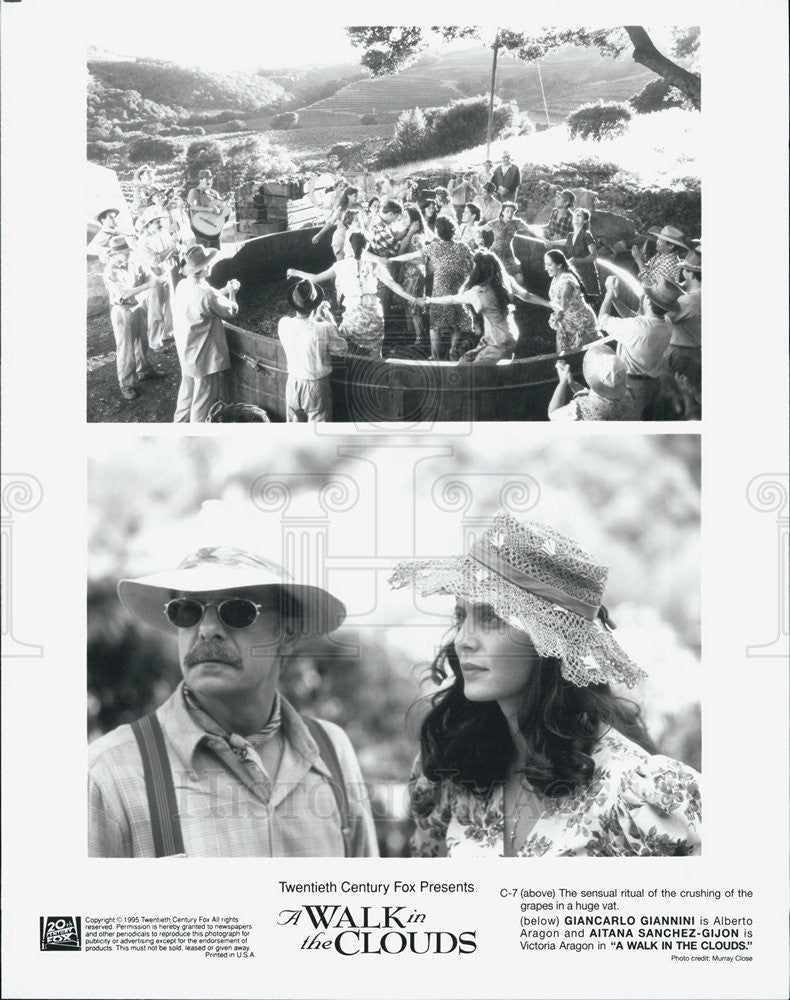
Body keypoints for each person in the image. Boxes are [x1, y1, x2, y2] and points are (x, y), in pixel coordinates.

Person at [389, 510, 702, 858]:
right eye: (461, 617)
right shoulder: (453, 769)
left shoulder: (641, 794)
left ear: (550, 641)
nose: (463, 640)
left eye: (491, 617)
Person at [88, 502, 378, 857]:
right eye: (188, 610)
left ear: (287, 632)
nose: (207, 629)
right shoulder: (110, 774)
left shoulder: (332, 752)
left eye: (238, 609)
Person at [288, 232, 418, 358]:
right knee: (376, 352)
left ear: (348, 247)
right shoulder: (373, 265)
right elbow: (394, 286)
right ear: (366, 247)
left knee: (346, 347)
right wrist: (415, 299)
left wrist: (295, 272)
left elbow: (315, 278)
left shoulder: (340, 265)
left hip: (353, 315)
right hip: (373, 314)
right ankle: (376, 370)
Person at [421, 250, 549, 364]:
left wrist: (430, 300)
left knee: (471, 371)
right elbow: (526, 295)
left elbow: (452, 299)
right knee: (481, 364)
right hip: (511, 334)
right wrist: (549, 304)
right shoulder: (506, 282)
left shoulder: (477, 292)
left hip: (497, 341)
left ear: (477, 270)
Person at [390, 216, 475, 360]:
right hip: (458, 289)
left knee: (435, 326)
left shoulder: (434, 247)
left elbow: (412, 255)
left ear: (438, 232)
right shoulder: (463, 247)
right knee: (457, 323)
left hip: (440, 291)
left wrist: (392, 259)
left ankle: (435, 356)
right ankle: (452, 350)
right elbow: (473, 263)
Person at [172, 244, 239, 422]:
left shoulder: (182, 285)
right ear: (203, 269)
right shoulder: (206, 293)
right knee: (203, 399)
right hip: (203, 357)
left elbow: (207, 299)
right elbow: (230, 311)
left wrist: (224, 289)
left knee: (186, 392)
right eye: (209, 263)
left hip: (187, 350)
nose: (211, 265)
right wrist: (232, 293)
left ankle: (179, 424)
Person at [598, 274, 680, 419]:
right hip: (652, 383)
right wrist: (616, 300)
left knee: (634, 420)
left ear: (648, 301)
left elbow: (602, 320)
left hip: (634, 386)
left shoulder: (638, 328)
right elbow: (634, 318)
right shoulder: (666, 323)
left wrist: (609, 294)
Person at [101, 235, 166, 401]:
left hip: (137, 307)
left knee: (141, 341)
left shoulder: (132, 262)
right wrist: (147, 286)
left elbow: (148, 274)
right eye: (123, 253)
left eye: (128, 251)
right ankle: (126, 384)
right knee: (126, 349)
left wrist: (153, 279)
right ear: (113, 255)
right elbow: (123, 293)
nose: (127, 254)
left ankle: (144, 370)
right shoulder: (110, 272)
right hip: (122, 310)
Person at [277, 278, 347, 421]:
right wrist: (329, 318)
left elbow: (306, 329)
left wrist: (316, 316)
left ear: (294, 304)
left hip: (293, 383)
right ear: (314, 305)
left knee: (294, 428)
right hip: (316, 386)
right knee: (318, 431)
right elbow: (341, 348)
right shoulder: (325, 329)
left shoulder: (284, 324)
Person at [548, 343, 638, 421]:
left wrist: (562, 382)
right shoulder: (630, 392)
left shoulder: (581, 409)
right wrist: (572, 384)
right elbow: (598, 395)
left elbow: (552, 415)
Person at [135, 205, 178, 350]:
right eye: (156, 222)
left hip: (166, 273)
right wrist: (171, 248)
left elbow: (170, 252)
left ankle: (168, 333)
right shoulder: (143, 242)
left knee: (169, 304)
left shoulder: (163, 233)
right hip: (152, 278)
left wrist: (176, 248)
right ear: (148, 224)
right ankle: (155, 341)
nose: (160, 224)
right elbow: (155, 261)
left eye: (161, 220)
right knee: (155, 309)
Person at [543, 249, 601, 354]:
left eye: (549, 265)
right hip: (566, 323)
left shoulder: (567, 280)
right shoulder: (556, 277)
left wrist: (557, 314)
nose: (546, 268)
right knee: (562, 358)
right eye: (546, 265)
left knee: (586, 356)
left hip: (580, 323)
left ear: (559, 265)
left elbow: (564, 299)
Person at [550, 206, 601, 302]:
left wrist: (578, 260)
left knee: (589, 300)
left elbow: (594, 255)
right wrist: (552, 243)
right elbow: (566, 242)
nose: (575, 217)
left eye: (579, 216)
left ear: (585, 221)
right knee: (575, 299)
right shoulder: (570, 235)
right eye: (575, 215)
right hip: (575, 272)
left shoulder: (586, 235)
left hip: (587, 274)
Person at [479, 202, 530, 281]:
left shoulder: (516, 223)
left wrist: (545, 239)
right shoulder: (495, 223)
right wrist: (480, 243)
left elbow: (530, 229)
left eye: (512, 212)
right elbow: (479, 230)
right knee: (490, 276)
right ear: (503, 212)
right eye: (507, 211)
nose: (510, 214)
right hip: (495, 252)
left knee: (520, 279)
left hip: (508, 254)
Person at [186, 169, 228, 250]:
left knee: (215, 254)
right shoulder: (194, 192)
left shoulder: (214, 193)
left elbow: (221, 206)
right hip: (201, 232)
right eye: (207, 178)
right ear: (200, 180)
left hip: (215, 231)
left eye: (211, 178)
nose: (210, 181)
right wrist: (210, 209)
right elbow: (192, 207)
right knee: (204, 256)